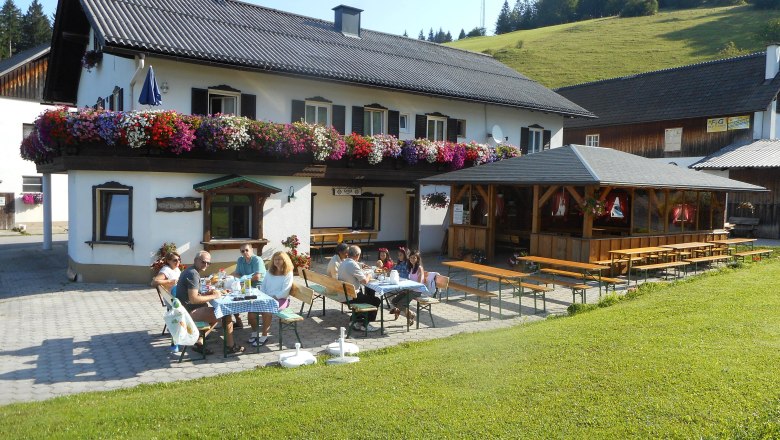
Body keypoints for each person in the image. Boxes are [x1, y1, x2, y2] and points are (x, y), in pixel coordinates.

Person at [175, 251, 244, 355]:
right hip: (188, 313)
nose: (206, 265)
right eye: (203, 262)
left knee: (217, 311)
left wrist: (207, 293)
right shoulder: (193, 274)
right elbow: (193, 299)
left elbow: (193, 295)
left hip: (183, 309)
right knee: (224, 313)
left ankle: (199, 341)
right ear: (195, 260)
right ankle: (231, 346)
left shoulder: (190, 271)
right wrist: (214, 296)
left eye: (208, 263)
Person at [248, 252, 294, 347]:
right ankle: (255, 332)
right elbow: (263, 285)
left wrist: (273, 297)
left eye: (279, 259)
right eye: (275, 259)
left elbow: (285, 292)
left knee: (267, 312)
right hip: (267, 298)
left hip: (281, 299)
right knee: (251, 311)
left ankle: (264, 336)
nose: (277, 261)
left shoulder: (288, 273)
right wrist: (264, 296)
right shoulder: (270, 271)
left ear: (285, 260)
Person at [337, 245, 382, 332]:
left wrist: (361, 267)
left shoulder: (343, 262)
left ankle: (356, 321)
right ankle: (365, 325)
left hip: (344, 294)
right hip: (350, 297)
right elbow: (364, 281)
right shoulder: (352, 264)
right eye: (359, 255)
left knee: (367, 296)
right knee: (375, 300)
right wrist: (369, 275)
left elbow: (354, 271)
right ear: (357, 255)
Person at [231, 244, 267, 328]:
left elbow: (257, 277)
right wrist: (242, 280)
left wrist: (243, 280)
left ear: (251, 250)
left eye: (247, 250)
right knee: (232, 298)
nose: (245, 252)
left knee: (246, 305)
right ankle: (238, 320)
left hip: (258, 288)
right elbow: (236, 274)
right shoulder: (240, 260)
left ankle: (254, 328)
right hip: (245, 286)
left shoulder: (257, 260)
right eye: (242, 251)